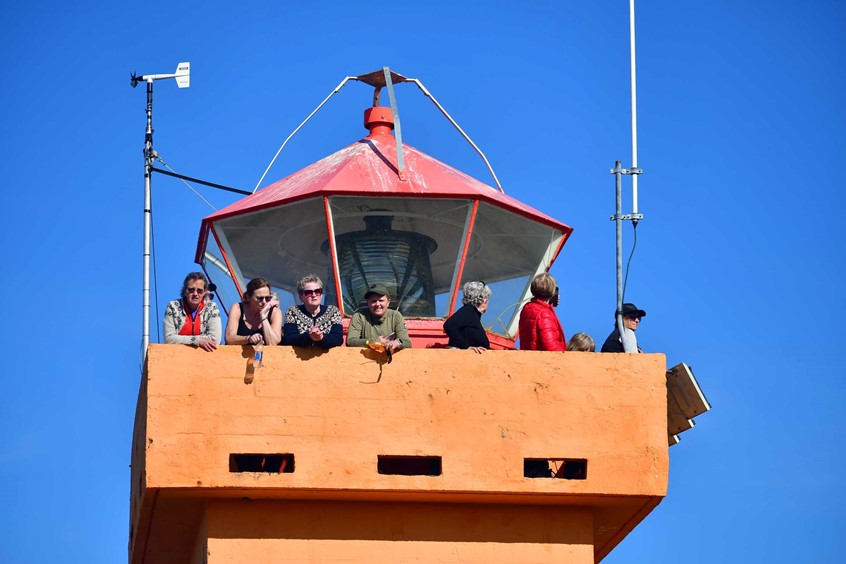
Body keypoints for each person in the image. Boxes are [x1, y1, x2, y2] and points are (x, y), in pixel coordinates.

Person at [163, 272, 221, 352]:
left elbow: (215, 340)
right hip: (177, 356)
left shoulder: (212, 307)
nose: (195, 294)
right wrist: (197, 340)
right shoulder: (173, 306)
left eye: (199, 291)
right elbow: (169, 338)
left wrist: (180, 339)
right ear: (185, 291)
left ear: (204, 292)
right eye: (191, 290)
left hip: (204, 357)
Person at [346, 283, 412, 353]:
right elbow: (350, 341)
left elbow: (407, 343)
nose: (377, 304)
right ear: (368, 302)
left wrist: (397, 342)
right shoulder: (359, 315)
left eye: (381, 300)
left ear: (388, 302)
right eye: (373, 301)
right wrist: (374, 341)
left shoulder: (396, 316)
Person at [283, 274, 343, 348]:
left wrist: (321, 337)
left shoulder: (333, 311)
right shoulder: (293, 311)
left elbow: (338, 339)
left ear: (321, 295)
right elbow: (289, 338)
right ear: (301, 297)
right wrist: (309, 337)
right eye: (308, 293)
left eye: (317, 291)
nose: (314, 295)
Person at [225, 277, 283, 346]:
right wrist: (248, 339)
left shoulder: (275, 313)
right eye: (260, 298)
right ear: (248, 297)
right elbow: (229, 338)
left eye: (268, 298)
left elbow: (272, 343)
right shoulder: (237, 308)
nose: (264, 302)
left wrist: (263, 317)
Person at [518, 273, 566, 351]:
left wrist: (549, 305)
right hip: (543, 358)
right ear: (552, 291)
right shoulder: (545, 314)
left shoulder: (527, 308)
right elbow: (550, 346)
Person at [443, 281, 491, 353]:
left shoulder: (472, 314)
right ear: (484, 299)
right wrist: (466, 347)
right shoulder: (469, 310)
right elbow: (449, 325)